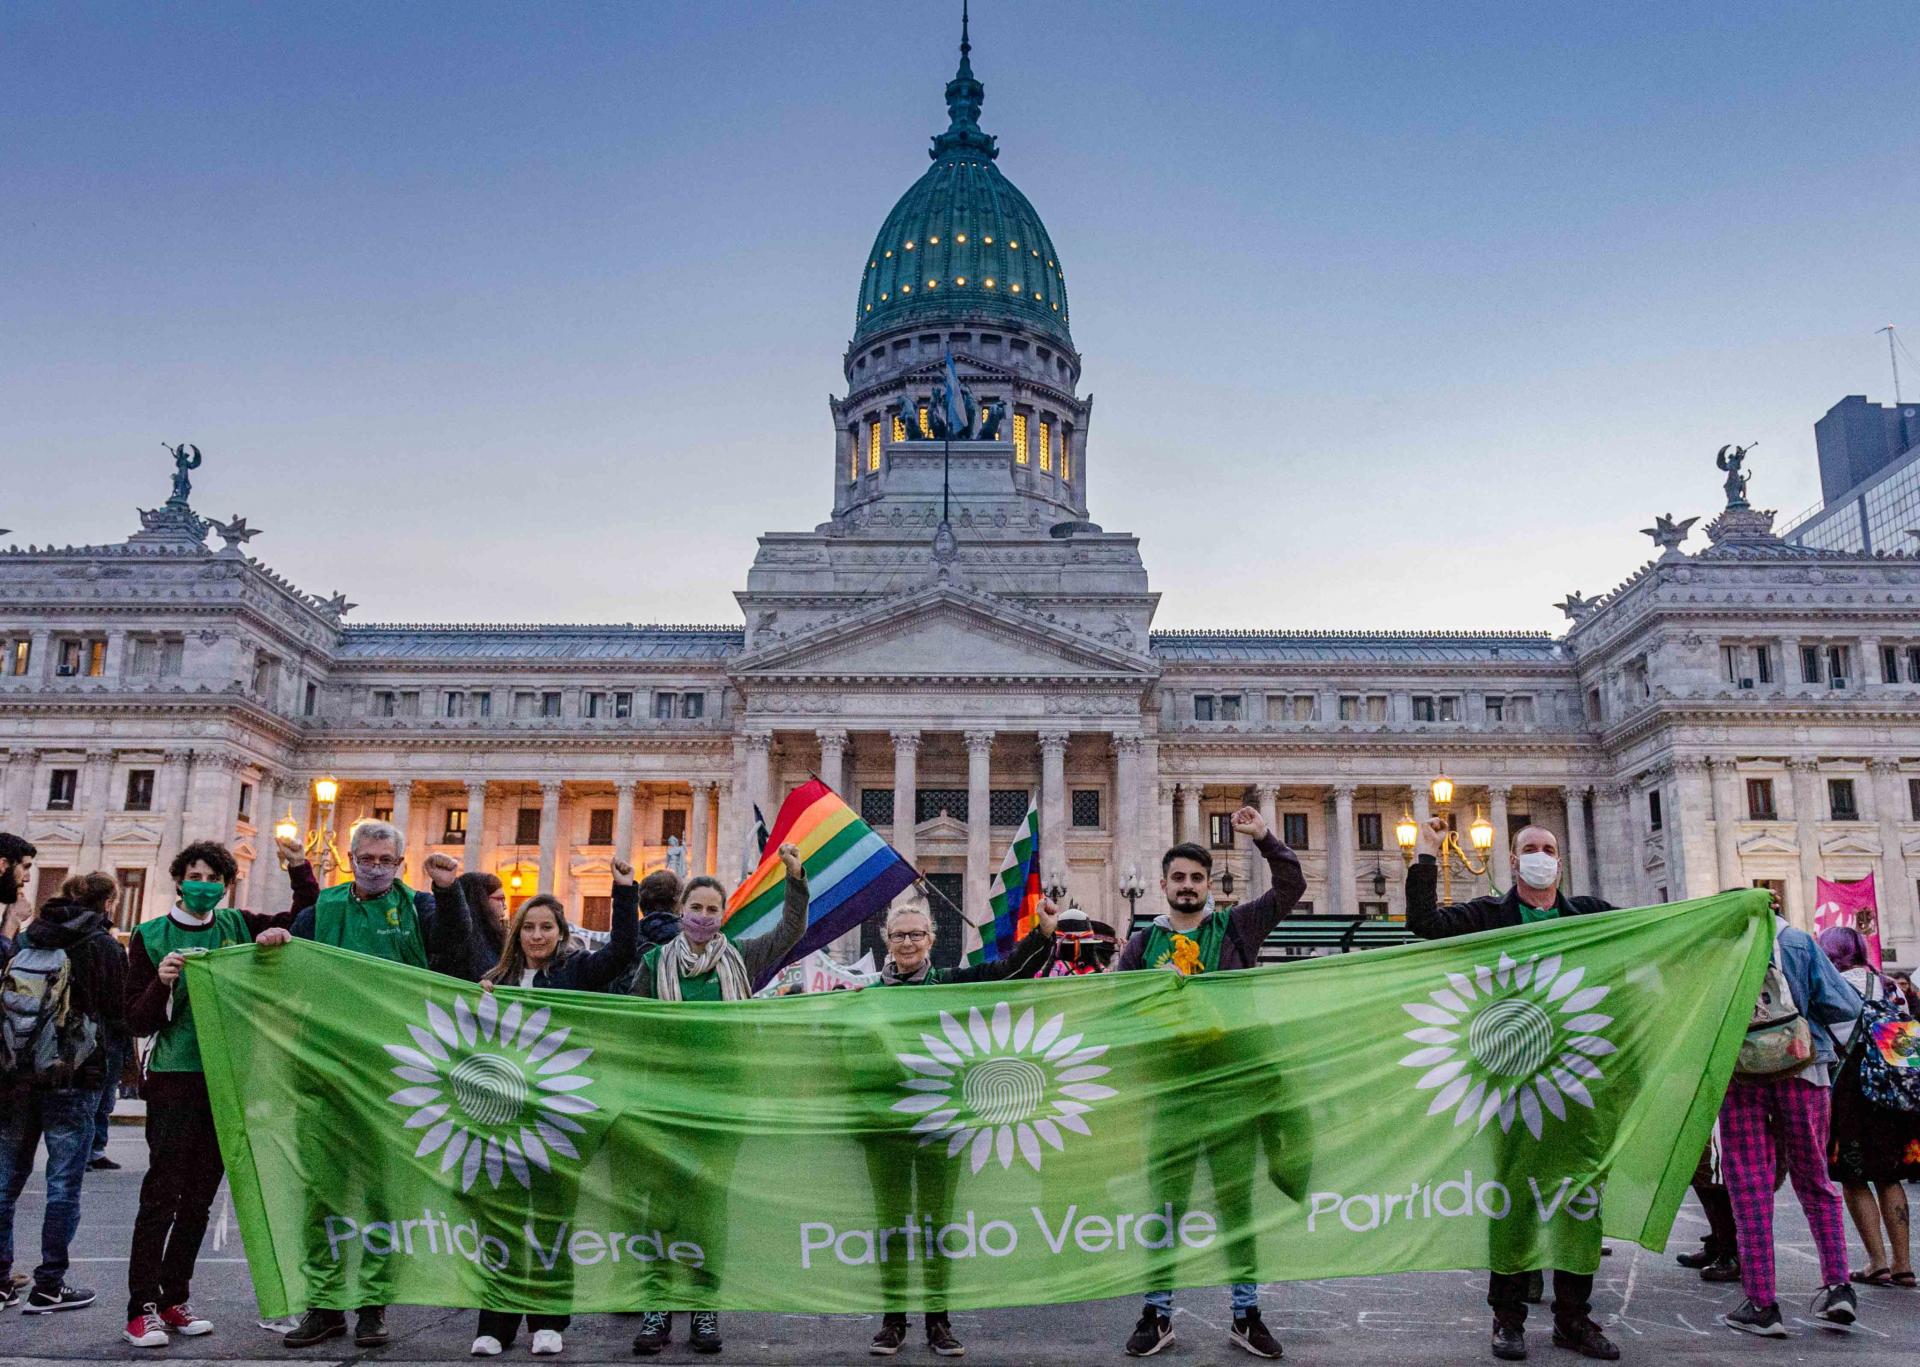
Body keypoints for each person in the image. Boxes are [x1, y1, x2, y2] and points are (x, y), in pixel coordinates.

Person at [1406, 818, 1620, 1362]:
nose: (1540, 855)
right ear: (1513, 861)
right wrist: (1427, 855)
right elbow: (1424, 923)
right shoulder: (1488, 915)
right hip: (1507, 1077)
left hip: (1576, 1076)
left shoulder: (1591, 917)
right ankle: (1508, 1318)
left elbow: (1668, 928)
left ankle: (1574, 1318)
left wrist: (1736, 909)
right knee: (1514, 1199)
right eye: (1530, 849)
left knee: (1580, 1198)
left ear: (1561, 861)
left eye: (1549, 848)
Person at [1118, 805, 1304, 1361]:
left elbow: (1291, 886)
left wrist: (1265, 837)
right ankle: (1156, 1313)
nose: (1188, 886)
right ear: (1163, 885)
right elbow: (1114, 1009)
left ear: (1207, 887)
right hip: (1171, 1093)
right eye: (1178, 878)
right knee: (1165, 1207)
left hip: (1231, 1089)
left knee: (1235, 1205)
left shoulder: (1235, 927)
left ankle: (1246, 1313)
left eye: (1197, 878)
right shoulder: (1142, 945)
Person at [123, 836, 317, 1348]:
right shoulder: (149, 935)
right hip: (176, 1074)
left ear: (227, 885)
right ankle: (140, 1307)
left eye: (214, 878)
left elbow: (304, 914)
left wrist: (298, 868)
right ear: (179, 880)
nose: (204, 886)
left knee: (200, 1197)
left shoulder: (235, 926)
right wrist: (161, 982)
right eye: (196, 876)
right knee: (162, 1193)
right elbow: (135, 1019)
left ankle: (174, 1298)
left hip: (228, 1075)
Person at [629, 844, 808, 1358]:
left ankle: (705, 1309)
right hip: (664, 1100)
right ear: (681, 910)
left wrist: (796, 881)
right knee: (659, 1208)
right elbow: (631, 1027)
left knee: (709, 1205)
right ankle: (657, 1308)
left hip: (723, 1099)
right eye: (696, 907)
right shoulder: (653, 963)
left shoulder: (743, 958)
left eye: (713, 909)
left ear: (722, 914)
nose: (704, 917)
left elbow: (789, 934)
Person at [863, 891, 1060, 1356]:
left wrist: (1044, 932)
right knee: (890, 1225)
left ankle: (938, 1321)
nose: (907, 943)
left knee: (937, 1225)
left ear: (931, 939)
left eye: (916, 934)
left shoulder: (952, 984)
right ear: (886, 941)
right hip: (884, 1128)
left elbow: (1005, 973)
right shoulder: (866, 997)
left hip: (940, 1124)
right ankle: (892, 1321)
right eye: (899, 935)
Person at [261, 819, 433, 1350]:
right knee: (323, 1193)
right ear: (350, 858)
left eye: (386, 859)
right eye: (367, 857)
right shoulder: (323, 910)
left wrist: (450, 894)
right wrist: (277, 939)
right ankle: (325, 1304)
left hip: (393, 1072)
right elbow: (290, 960)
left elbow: (454, 951)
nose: (376, 866)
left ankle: (374, 1306)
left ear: (400, 864)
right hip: (325, 1067)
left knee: (382, 1193)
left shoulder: (419, 909)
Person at [461, 854, 640, 1357]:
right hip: (502, 1114)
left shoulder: (578, 972)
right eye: (529, 927)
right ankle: (495, 1323)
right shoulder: (492, 981)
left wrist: (624, 890)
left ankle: (548, 1318)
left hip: (559, 1114)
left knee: (551, 1218)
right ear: (516, 933)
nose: (538, 936)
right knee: (501, 1218)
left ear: (561, 933)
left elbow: (624, 950)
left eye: (547, 927)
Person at [1717, 908, 1863, 1337]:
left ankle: (1762, 1303)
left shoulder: (1722, 950)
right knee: (1815, 1179)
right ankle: (1838, 1285)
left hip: (1740, 1075)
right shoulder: (1799, 942)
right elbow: (1844, 1004)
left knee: (1749, 1186)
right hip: (1804, 1068)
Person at [0, 870, 126, 1314]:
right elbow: (116, 1016)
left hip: (17, 1077)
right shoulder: (103, 946)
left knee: (6, 1181)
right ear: (107, 903)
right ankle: (49, 1284)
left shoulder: (31, 938)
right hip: (74, 1078)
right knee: (62, 1183)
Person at [1818, 925, 1919, 1289]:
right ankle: (1904, 1264)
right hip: (1893, 1098)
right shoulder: (1891, 986)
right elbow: (1909, 1053)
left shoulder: (1832, 988)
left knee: (1854, 1177)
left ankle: (1877, 1261)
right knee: (1889, 1177)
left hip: (1850, 1095)